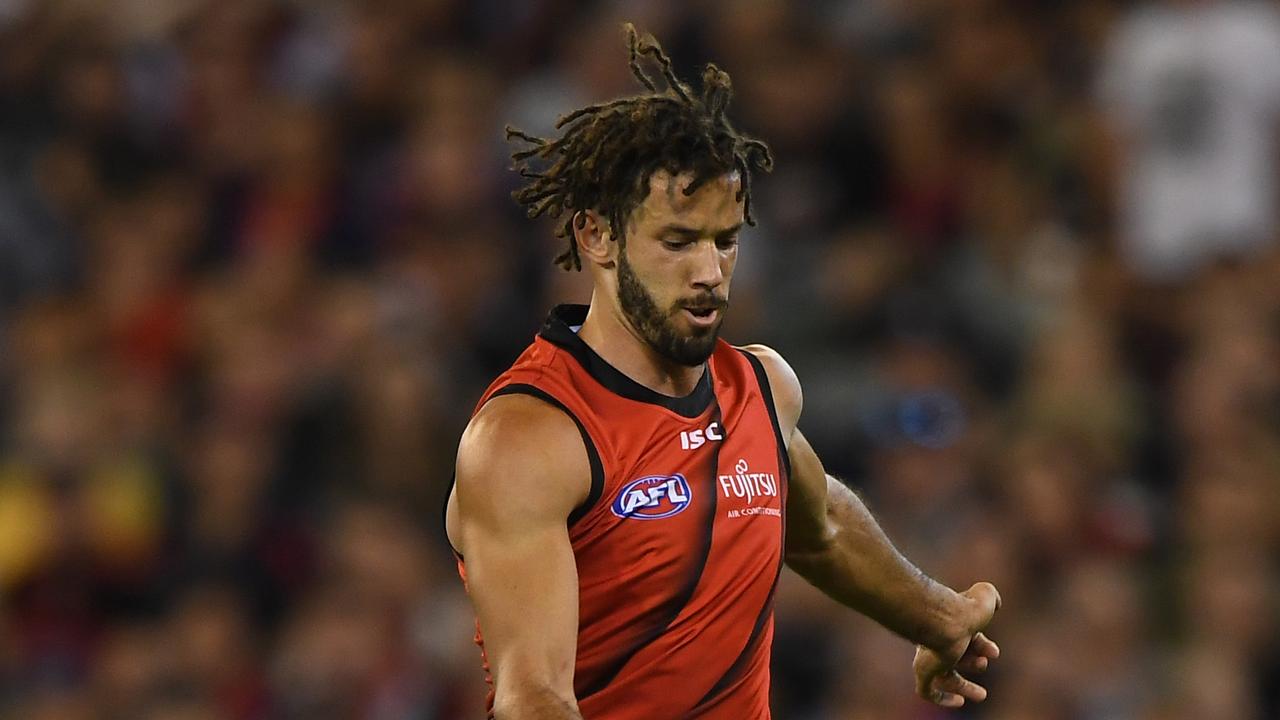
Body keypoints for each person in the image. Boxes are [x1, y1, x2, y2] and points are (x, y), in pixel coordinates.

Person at [444, 25, 1001, 720]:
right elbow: (534, 698)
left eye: (725, 240)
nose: (710, 273)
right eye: (677, 241)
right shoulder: (529, 437)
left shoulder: (761, 389)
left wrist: (937, 618)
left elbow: (818, 523)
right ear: (597, 235)